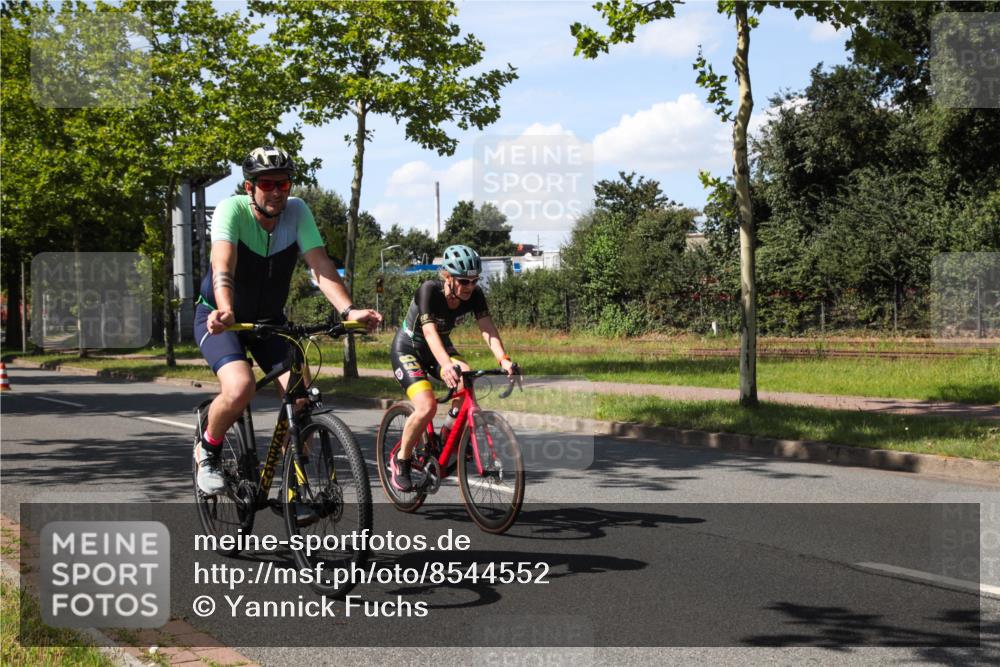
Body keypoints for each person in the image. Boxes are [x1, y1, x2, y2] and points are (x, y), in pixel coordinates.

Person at [193, 146, 381, 495]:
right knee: (239, 388)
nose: (277, 192)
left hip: (270, 321)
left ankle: (294, 485)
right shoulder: (230, 210)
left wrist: (349, 311)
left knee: (302, 401)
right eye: (268, 183)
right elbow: (223, 265)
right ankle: (208, 449)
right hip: (220, 317)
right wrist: (226, 309)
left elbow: (320, 266)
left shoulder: (297, 212)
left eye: (284, 184)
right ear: (250, 187)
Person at [389, 244, 516, 492]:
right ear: (447, 276)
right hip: (409, 349)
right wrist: (446, 364)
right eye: (464, 281)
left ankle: (447, 441)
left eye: (474, 280)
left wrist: (504, 359)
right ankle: (401, 460)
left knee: (466, 378)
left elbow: (487, 329)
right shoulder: (429, 290)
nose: (470, 286)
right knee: (427, 405)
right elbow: (428, 331)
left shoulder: (475, 295)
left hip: (439, 348)